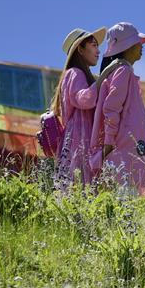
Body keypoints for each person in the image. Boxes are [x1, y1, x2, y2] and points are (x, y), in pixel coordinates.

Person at [90, 22, 145, 192]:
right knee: (126, 194)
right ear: (126, 46)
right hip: (123, 146)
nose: (141, 46)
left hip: (128, 146)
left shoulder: (124, 70)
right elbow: (111, 107)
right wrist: (109, 142)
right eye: (136, 42)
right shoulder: (123, 70)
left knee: (131, 193)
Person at [50, 26, 107, 185]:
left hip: (76, 141)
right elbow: (84, 100)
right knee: (81, 186)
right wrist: (103, 79)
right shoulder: (75, 73)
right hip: (79, 140)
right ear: (80, 49)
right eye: (94, 45)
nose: (98, 50)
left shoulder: (76, 74)